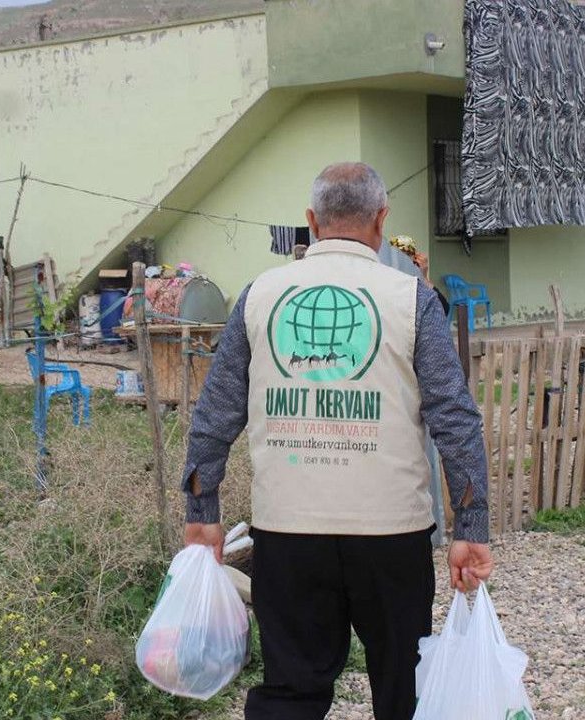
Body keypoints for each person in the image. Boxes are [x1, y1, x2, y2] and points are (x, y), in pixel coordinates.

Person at [182, 162, 492, 720]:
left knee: (293, 692)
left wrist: (202, 511)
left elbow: (215, 414)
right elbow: (455, 418)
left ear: (311, 222)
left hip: (287, 533)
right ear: (381, 219)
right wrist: (470, 530)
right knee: (404, 689)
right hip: (391, 537)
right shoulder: (412, 300)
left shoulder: (260, 296)